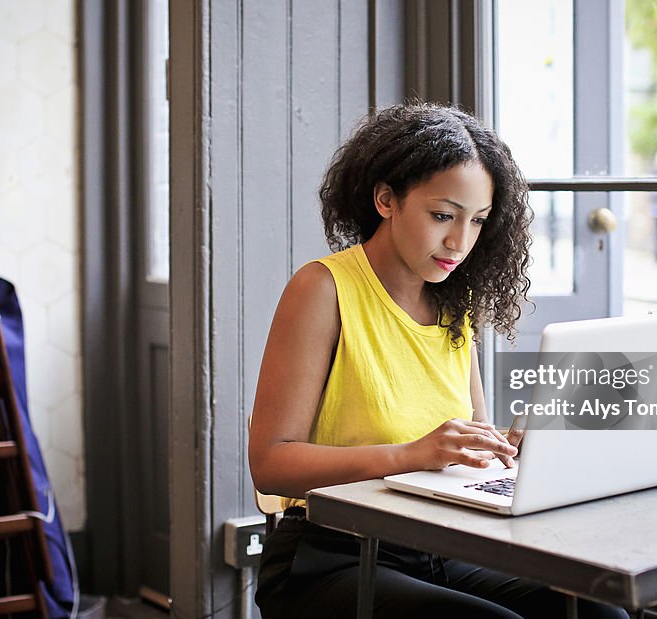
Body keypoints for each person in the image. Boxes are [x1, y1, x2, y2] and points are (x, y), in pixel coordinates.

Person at [249, 102, 628, 619]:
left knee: (599, 613)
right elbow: (271, 464)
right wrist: (410, 454)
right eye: (443, 215)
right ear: (387, 199)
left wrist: (507, 449)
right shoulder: (323, 289)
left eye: (477, 221)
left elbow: (467, 440)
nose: (459, 242)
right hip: (330, 554)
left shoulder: (455, 303)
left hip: (441, 543)